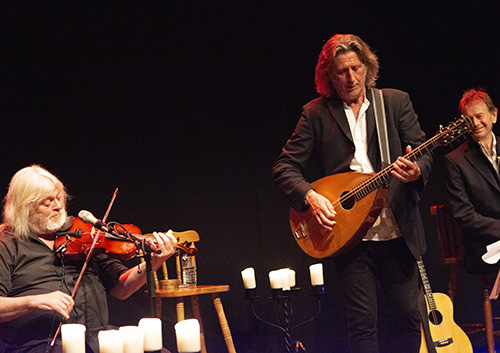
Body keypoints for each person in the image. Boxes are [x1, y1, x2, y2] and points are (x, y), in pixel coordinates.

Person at [271, 34, 433, 353]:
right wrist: (311, 197)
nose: (350, 78)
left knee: (408, 317)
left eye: (356, 68)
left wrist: (417, 171)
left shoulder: (395, 102)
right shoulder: (316, 113)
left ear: (367, 67)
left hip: (397, 231)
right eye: (342, 71)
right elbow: (283, 167)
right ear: (328, 76)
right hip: (349, 236)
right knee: (362, 324)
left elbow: (424, 153)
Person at [0, 165, 178, 353]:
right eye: (48, 202)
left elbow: (121, 289)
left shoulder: (83, 236)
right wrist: (34, 301)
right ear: (24, 207)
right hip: (40, 345)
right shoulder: (6, 244)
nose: (58, 206)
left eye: (59, 197)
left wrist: (154, 262)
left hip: (97, 339)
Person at [444, 88, 500, 274]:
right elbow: (464, 215)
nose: (475, 123)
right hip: (484, 244)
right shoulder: (455, 160)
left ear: (494, 115)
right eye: (469, 119)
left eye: (479, 116)